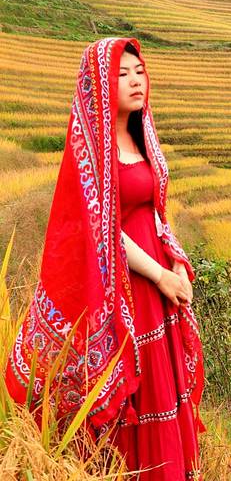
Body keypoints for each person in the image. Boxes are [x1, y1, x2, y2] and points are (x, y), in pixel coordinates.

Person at [4, 38, 205, 480]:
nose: (135, 81)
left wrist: (176, 261)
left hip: (159, 285)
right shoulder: (93, 153)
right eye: (122, 74)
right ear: (99, 85)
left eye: (140, 71)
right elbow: (103, 230)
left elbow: (156, 211)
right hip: (126, 289)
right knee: (137, 391)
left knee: (163, 389)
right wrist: (159, 275)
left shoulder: (142, 139)